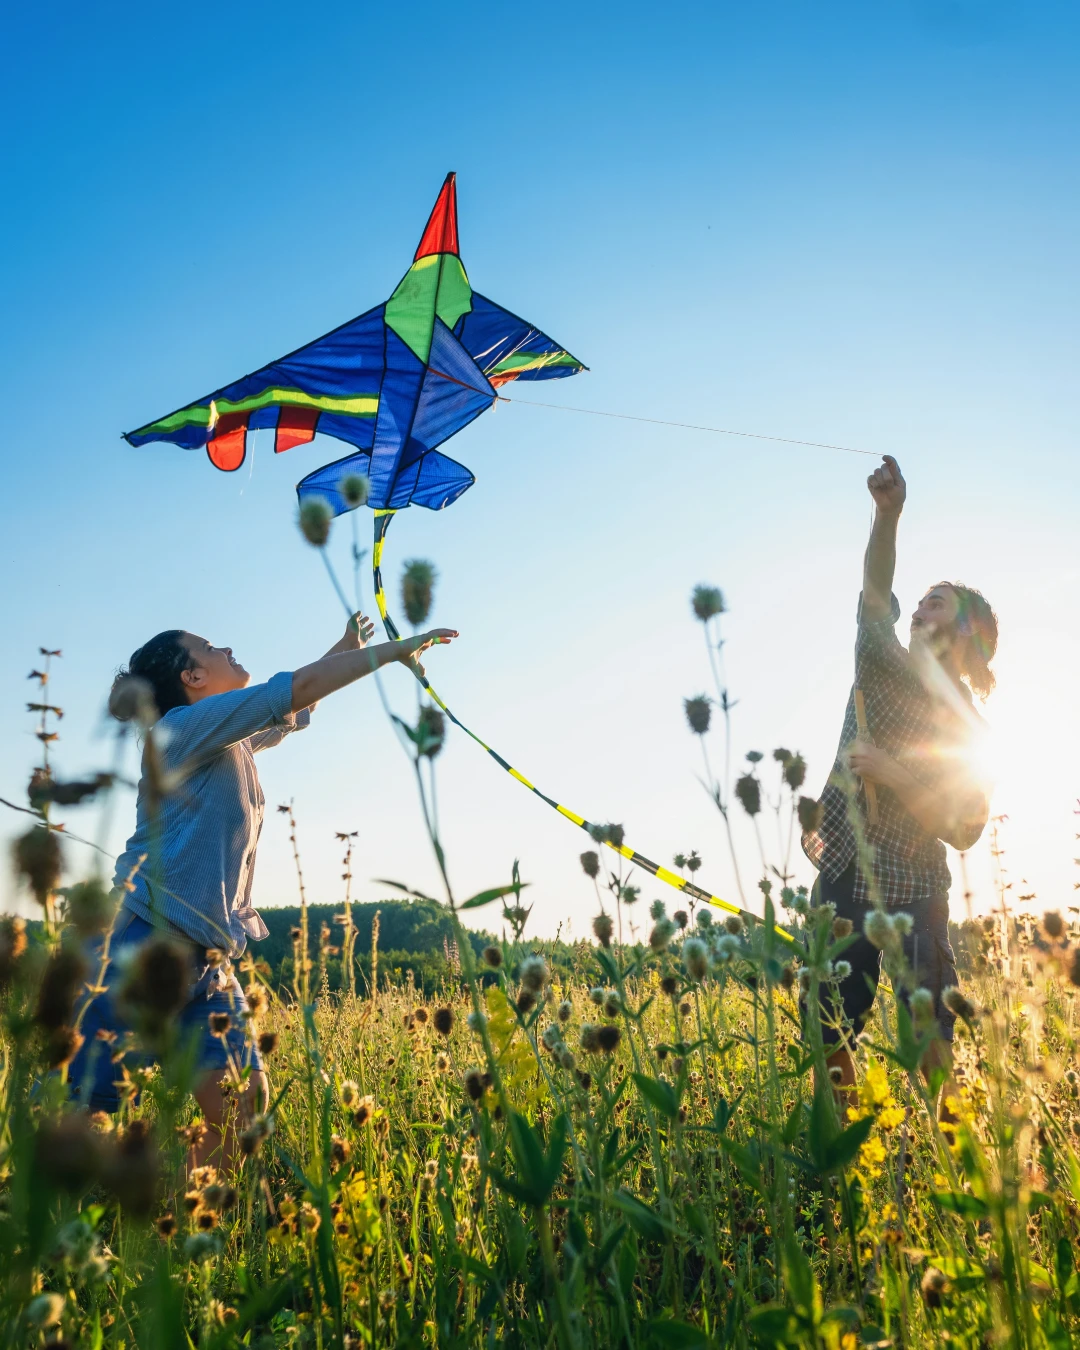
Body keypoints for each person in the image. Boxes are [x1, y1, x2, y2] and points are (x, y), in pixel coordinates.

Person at [69, 613, 456, 1166]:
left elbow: (297, 706)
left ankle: (173, 1222)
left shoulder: (226, 739)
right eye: (209, 646)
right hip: (138, 947)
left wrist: (344, 648)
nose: (226, 646)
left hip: (205, 962)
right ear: (193, 677)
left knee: (244, 1108)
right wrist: (393, 652)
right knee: (87, 1115)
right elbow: (291, 690)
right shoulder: (180, 731)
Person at [803, 454, 996, 1101]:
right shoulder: (882, 659)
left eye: (934, 603)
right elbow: (873, 594)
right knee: (831, 1025)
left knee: (928, 1034)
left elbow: (964, 830)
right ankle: (849, 1158)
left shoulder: (968, 726)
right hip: (846, 877)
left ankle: (947, 1159)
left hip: (915, 888)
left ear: (964, 632)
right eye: (918, 601)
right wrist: (886, 515)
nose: (917, 607)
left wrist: (893, 773)